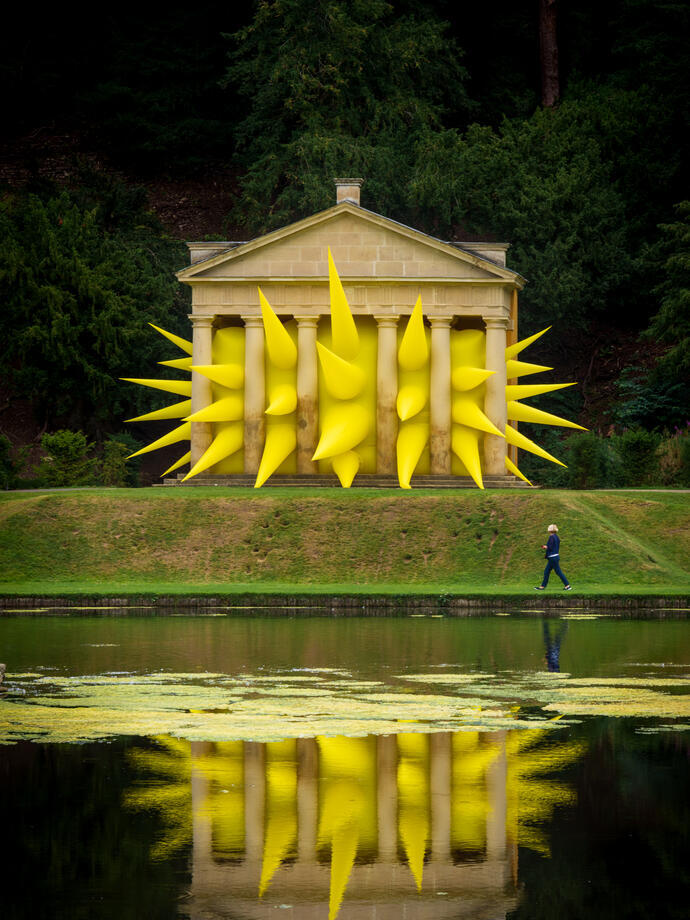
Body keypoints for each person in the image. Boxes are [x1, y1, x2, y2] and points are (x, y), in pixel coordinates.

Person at [534, 524, 572, 590]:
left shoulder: (551, 537)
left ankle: (567, 585)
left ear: (550, 530)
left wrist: (545, 547)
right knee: (547, 571)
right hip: (555, 556)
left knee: (558, 572)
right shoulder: (557, 537)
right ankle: (542, 586)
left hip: (552, 557)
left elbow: (550, 547)